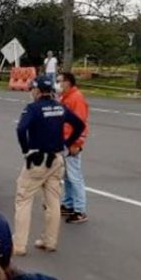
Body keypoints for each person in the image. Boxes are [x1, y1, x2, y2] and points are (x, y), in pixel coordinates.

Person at [14, 76, 84, 256]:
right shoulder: (59, 106)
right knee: (53, 202)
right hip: (56, 159)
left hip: (37, 159)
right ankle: (49, 241)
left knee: (23, 199)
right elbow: (79, 124)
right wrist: (67, 143)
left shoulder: (33, 108)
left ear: (37, 90)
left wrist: (25, 150)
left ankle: (19, 244)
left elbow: (21, 129)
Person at [57, 72, 90, 224]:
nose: (58, 84)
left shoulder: (76, 98)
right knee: (67, 176)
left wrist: (77, 143)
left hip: (72, 142)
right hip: (64, 141)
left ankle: (80, 210)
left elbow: (80, 123)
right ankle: (69, 204)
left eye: (60, 81)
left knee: (75, 176)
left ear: (68, 82)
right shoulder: (65, 97)